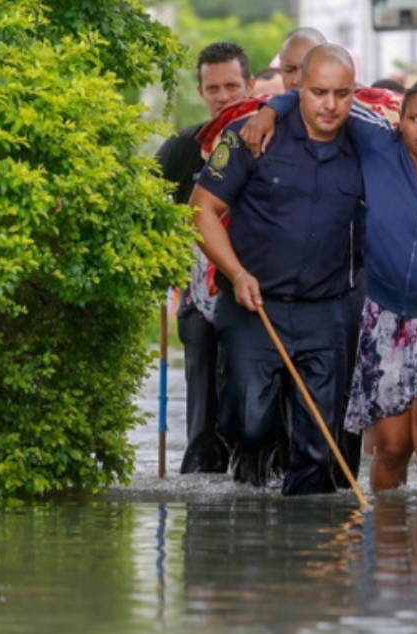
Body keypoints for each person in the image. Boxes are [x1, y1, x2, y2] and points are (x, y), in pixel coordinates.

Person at [245, 79, 417, 492]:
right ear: (399, 122)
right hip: (386, 320)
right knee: (390, 447)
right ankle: (387, 552)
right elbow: (324, 97)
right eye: (415, 119)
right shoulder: (379, 149)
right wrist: (271, 109)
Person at [188, 44, 364, 495]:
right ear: (297, 88)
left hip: (325, 313)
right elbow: (201, 210)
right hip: (253, 305)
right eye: (318, 92)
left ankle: (305, 547)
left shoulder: (366, 143)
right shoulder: (250, 134)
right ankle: (249, 508)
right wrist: (237, 272)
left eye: (341, 94)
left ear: (353, 93)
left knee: (318, 449)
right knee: (249, 423)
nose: (329, 105)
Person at [156, 41, 254, 474]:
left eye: (232, 85)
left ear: (249, 85)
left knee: (248, 394)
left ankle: (251, 473)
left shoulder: (266, 142)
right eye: (213, 88)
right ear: (201, 91)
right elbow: (148, 209)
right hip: (197, 296)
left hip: (251, 289)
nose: (223, 96)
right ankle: (200, 480)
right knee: (201, 400)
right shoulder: (182, 148)